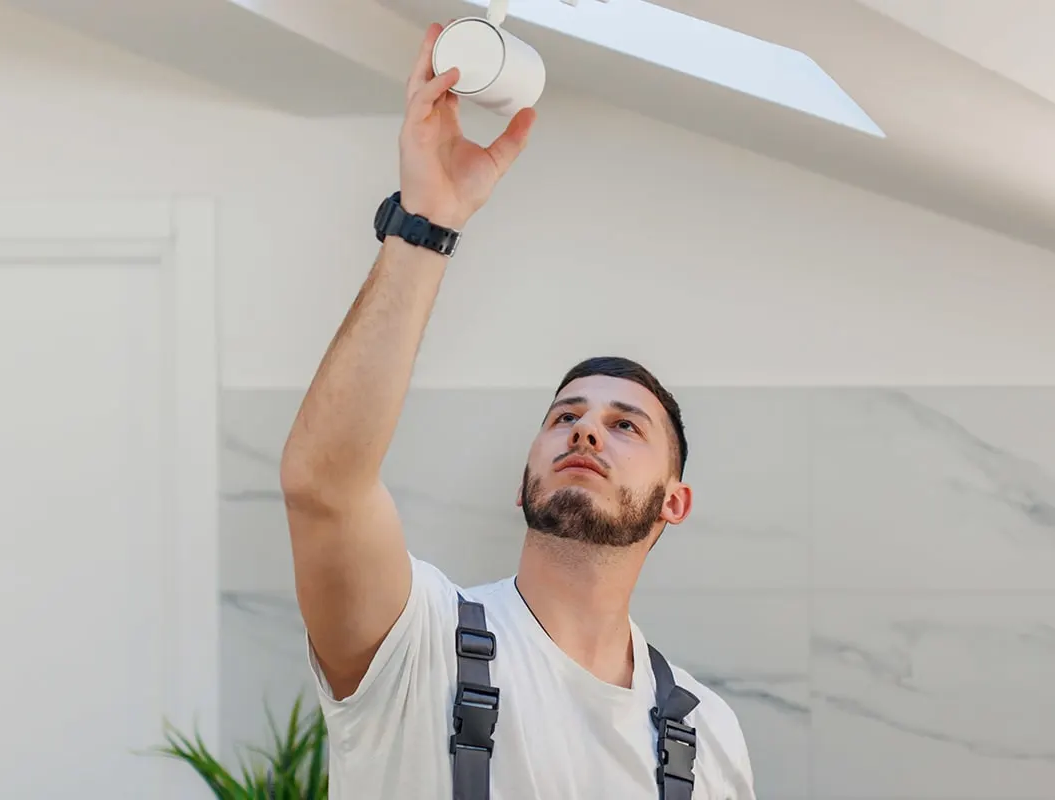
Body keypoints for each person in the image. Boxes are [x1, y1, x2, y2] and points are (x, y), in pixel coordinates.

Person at [276, 21, 758, 800]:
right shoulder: (419, 643)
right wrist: (425, 223)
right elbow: (321, 485)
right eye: (564, 417)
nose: (586, 428)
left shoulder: (706, 738)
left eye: (625, 424)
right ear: (524, 480)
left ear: (676, 501)